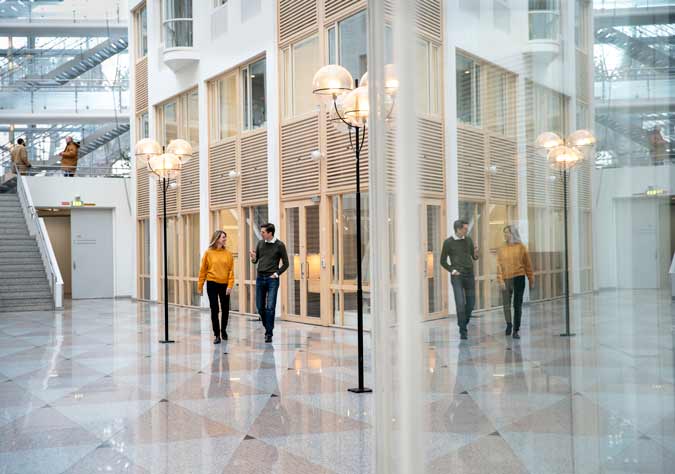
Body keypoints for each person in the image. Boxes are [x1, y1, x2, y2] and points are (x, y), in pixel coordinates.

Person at [249, 223, 289, 343]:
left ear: (270, 233)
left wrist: (276, 274)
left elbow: (286, 264)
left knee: (270, 307)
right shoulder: (260, 243)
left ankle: (268, 333)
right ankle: (268, 327)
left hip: (272, 279)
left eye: (263, 232)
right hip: (260, 278)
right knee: (260, 307)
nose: (261, 234)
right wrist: (253, 258)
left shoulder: (280, 245)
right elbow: (256, 261)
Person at [440, 220, 479, 340]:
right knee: (460, 303)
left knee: (471, 303)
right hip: (457, 276)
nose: (467, 231)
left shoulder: (468, 240)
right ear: (458, 229)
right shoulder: (448, 242)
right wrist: (452, 270)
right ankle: (463, 330)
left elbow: (474, 257)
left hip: (469, 275)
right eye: (465, 229)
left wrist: (476, 253)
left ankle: (462, 322)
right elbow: (442, 261)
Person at [496, 225, 534, 340]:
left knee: (517, 305)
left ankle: (516, 330)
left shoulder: (521, 247)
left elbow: (528, 265)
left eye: (507, 232)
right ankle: (509, 324)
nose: (505, 235)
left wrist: (531, 279)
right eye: (504, 233)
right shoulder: (502, 248)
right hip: (506, 279)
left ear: (513, 234)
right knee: (506, 304)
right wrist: (500, 280)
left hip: (519, 278)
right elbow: (498, 265)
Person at [198, 230, 235, 344]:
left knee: (225, 309)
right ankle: (217, 335)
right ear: (217, 238)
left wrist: (230, 286)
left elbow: (231, 271)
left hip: (224, 285)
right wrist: (200, 286)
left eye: (225, 237)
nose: (225, 239)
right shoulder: (208, 253)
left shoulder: (228, 254)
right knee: (214, 309)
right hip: (212, 283)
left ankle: (223, 330)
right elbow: (203, 270)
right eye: (223, 237)